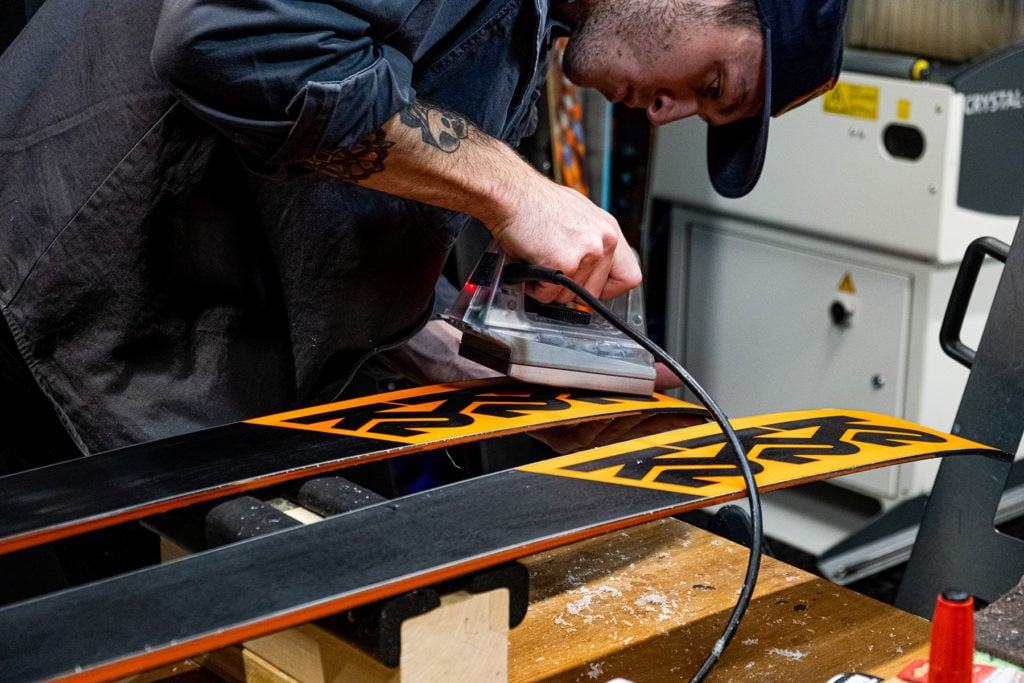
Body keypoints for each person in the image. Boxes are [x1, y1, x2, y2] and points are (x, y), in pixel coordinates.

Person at [0, 0, 847, 474]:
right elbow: (229, 36)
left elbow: (344, 174)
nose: (669, 111)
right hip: (43, 319)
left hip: (159, 365)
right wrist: (515, 189)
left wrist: (434, 343)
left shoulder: (530, 28)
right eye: (710, 81)